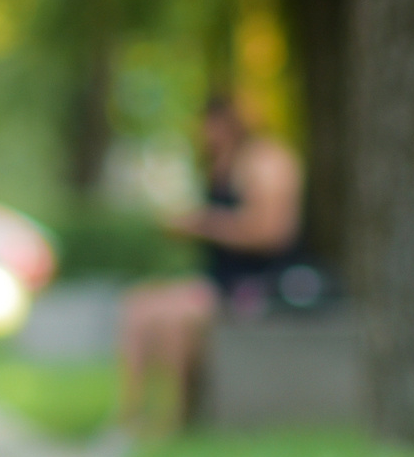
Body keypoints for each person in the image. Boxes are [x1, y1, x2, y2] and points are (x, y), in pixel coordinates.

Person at [115, 96, 305, 430]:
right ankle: (130, 419)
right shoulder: (221, 162)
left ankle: (172, 420)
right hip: (218, 279)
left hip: (262, 281)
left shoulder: (266, 161)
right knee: (139, 304)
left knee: (177, 317)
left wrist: (202, 224)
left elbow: (271, 232)